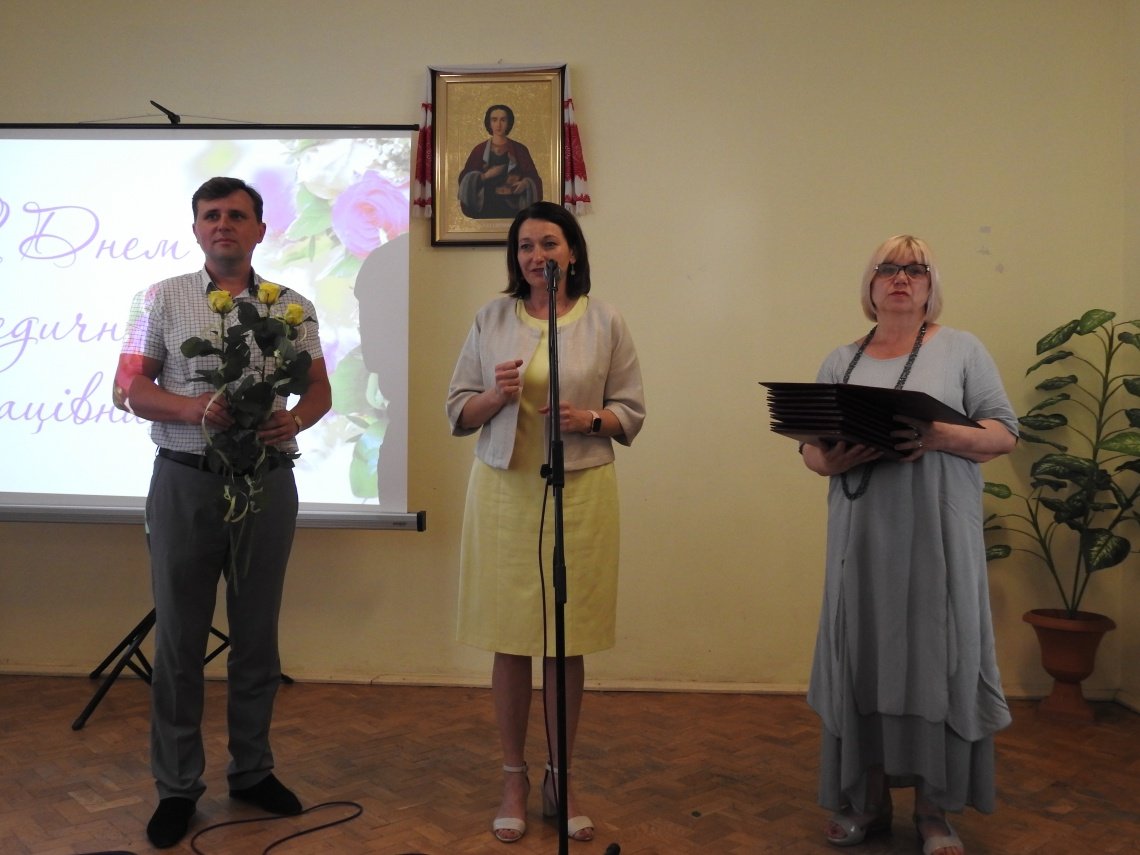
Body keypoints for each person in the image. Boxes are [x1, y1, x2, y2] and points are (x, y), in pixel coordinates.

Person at [113, 176, 332, 849]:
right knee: (180, 642)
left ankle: (252, 770)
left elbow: (319, 390)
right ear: (196, 228)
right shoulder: (158, 299)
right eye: (211, 214)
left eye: (237, 214)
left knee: (257, 637)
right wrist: (192, 409)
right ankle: (178, 786)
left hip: (266, 483)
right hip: (186, 482)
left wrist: (295, 419)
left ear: (260, 230)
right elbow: (127, 387)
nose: (223, 224)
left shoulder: (291, 307)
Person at [798, 235, 1017, 855]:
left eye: (915, 269)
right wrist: (826, 459)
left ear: (930, 285)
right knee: (862, 657)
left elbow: (1003, 433)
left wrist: (938, 435)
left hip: (937, 536)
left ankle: (933, 811)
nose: (901, 278)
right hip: (861, 538)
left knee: (935, 657)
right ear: (870, 285)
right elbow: (810, 446)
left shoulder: (962, 349)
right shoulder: (840, 360)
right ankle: (867, 803)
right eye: (888, 268)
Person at [446, 201, 645, 844]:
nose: (537, 256)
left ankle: (563, 777)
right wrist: (495, 396)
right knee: (509, 637)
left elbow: (631, 411)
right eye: (526, 246)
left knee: (567, 637)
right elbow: (458, 411)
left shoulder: (605, 320)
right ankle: (514, 778)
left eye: (549, 243)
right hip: (504, 493)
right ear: (516, 257)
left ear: (573, 252)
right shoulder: (491, 317)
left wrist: (590, 420)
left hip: (580, 491)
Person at [458, 104, 543, 219]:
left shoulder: (519, 149)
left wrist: (525, 183)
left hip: (513, 207)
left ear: (509, 123)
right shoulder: (479, 150)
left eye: (503, 120)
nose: (498, 125)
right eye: (494, 120)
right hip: (486, 205)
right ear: (489, 123)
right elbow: (464, 179)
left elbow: (533, 177)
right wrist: (485, 176)